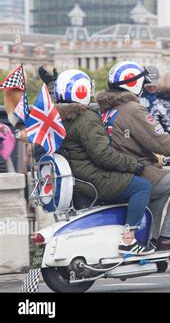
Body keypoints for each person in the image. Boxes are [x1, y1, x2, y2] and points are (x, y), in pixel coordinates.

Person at [43, 68, 154, 256]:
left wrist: (52, 85)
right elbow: (103, 155)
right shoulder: (86, 118)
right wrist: (132, 164)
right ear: (83, 91)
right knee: (141, 186)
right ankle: (129, 239)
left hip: (76, 178)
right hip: (94, 178)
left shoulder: (54, 117)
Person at [96, 61, 170, 250]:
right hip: (134, 172)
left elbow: (129, 141)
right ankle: (169, 236)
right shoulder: (132, 109)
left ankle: (150, 239)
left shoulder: (108, 110)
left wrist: (156, 156)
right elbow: (159, 139)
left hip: (118, 170)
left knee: (161, 189)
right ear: (132, 84)